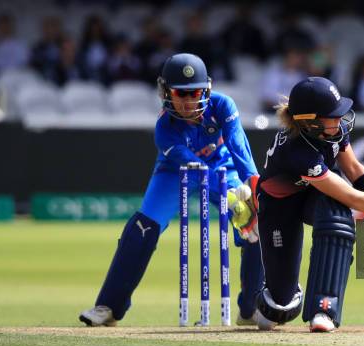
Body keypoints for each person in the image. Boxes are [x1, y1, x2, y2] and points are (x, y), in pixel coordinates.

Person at [79, 53, 264, 327]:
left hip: (223, 164)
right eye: (181, 93)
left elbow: (238, 145)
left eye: (196, 93)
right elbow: (196, 167)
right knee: (142, 228)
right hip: (175, 170)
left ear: (207, 89)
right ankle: (109, 306)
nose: (189, 101)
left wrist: (252, 186)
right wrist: (230, 198)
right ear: (166, 92)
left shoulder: (223, 105)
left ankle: (250, 309)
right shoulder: (164, 129)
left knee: (255, 222)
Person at [254, 77, 364, 332]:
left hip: (313, 196)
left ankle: (324, 309)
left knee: (337, 217)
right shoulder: (298, 150)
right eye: (333, 115)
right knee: (279, 308)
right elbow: (351, 196)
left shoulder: (332, 130)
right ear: (310, 121)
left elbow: (354, 169)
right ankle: (279, 294)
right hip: (278, 207)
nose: (340, 119)